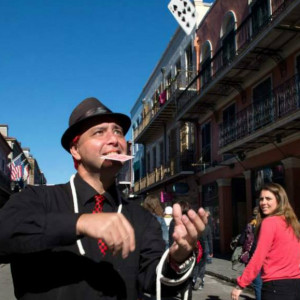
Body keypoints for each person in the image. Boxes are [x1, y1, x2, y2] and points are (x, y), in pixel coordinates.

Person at [0, 97, 207, 300]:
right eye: (99, 132)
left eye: (118, 131)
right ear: (75, 149)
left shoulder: (141, 217)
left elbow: (156, 284)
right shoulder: (39, 198)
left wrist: (177, 258)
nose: (114, 140)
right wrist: (80, 222)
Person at [231, 183, 300, 300]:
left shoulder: (270, 222)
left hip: (276, 287)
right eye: (261, 199)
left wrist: (241, 284)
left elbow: (258, 257)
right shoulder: (292, 223)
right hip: (296, 285)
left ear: (279, 200)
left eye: (268, 199)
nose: (263, 202)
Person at [238, 207, 262, 300]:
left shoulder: (250, 226)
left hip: (252, 258)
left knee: (258, 285)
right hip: (264, 258)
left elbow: (241, 241)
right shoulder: (266, 224)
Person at [192, 208, 213, 290]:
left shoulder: (195, 226)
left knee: (195, 264)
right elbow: (210, 240)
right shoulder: (207, 227)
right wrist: (211, 251)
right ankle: (201, 281)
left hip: (196, 247)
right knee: (203, 265)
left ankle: (194, 279)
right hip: (205, 247)